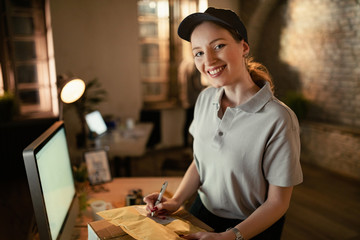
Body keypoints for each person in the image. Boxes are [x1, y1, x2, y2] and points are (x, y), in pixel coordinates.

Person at [144, 7, 303, 240]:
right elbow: (201, 163)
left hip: (251, 228)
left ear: (244, 47)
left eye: (218, 46)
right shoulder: (205, 99)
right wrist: (176, 200)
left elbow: (278, 203)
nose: (208, 60)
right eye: (198, 52)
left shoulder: (278, 118)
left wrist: (230, 236)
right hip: (200, 212)